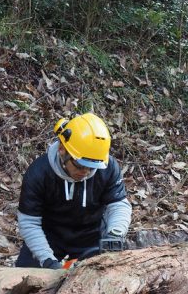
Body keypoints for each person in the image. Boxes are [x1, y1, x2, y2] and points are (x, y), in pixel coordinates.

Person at [16, 113, 132, 269]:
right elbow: (29, 222)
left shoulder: (108, 168)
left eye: (92, 167)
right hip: (50, 234)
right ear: (62, 149)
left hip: (91, 235)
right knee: (24, 279)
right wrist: (48, 261)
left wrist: (115, 234)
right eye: (80, 165)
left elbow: (118, 205)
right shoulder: (39, 173)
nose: (85, 172)